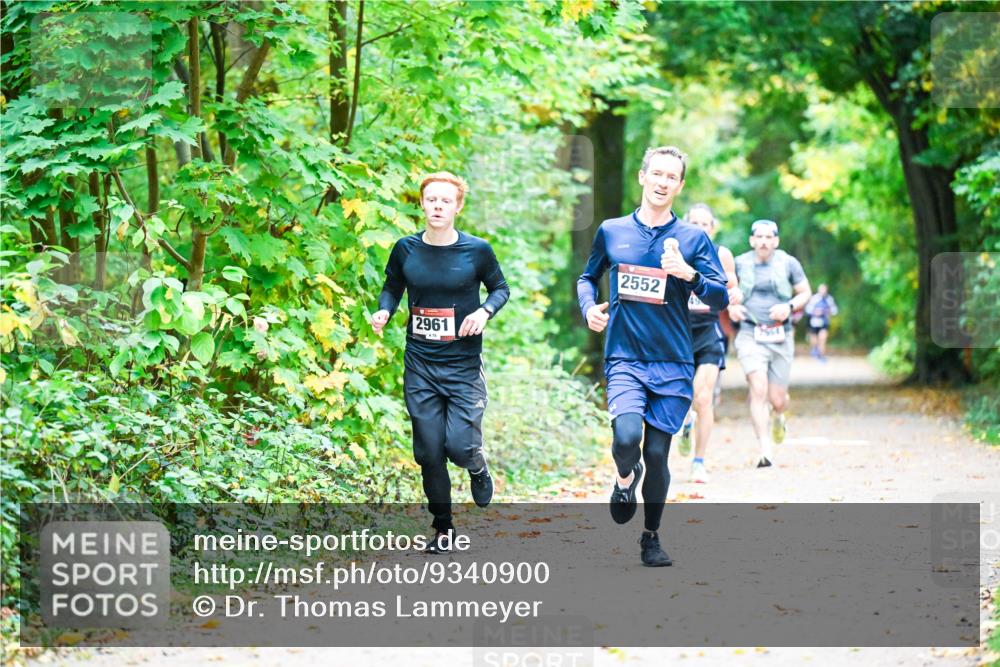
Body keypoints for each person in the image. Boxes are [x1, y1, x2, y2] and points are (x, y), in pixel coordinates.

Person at [577, 146, 728, 567]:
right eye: (656, 173)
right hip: (625, 358)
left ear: (679, 186)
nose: (662, 182)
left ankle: (651, 536)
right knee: (626, 439)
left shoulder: (693, 239)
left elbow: (718, 297)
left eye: (671, 177)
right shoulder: (612, 231)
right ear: (642, 177)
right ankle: (625, 478)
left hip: (674, 363)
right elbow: (587, 278)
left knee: (658, 454)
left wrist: (689, 275)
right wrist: (588, 307)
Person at [372, 171, 510, 554]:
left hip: (463, 365)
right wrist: (385, 311)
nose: (437, 206)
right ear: (422, 204)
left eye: (445, 200)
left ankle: (477, 466)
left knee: (459, 448)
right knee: (429, 451)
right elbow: (392, 287)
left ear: (457, 206)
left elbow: (501, 288)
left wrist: (484, 312)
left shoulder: (476, 250)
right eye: (431, 199)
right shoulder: (405, 249)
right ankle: (443, 528)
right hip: (421, 362)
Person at [728, 219, 811, 468]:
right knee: (758, 388)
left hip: (781, 336)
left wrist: (788, 307)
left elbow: (805, 292)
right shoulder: (739, 263)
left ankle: (778, 414)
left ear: (776, 241)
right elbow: (724, 292)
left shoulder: (788, 263)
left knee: (777, 398)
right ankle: (765, 448)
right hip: (750, 334)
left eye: (769, 237)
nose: (764, 242)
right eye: (759, 237)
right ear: (752, 240)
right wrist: (732, 307)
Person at [676, 204, 742, 484]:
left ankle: (699, 462)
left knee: (704, 397)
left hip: (709, 331)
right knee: (682, 398)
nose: (700, 228)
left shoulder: (722, 254)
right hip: (677, 332)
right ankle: (686, 421)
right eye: (695, 222)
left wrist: (735, 297)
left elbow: (732, 286)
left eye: (705, 224)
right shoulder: (673, 251)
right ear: (685, 225)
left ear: (712, 228)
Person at [805, 283, 838, 362]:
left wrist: (827, 311)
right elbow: (807, 309)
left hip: (824, 322)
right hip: (814, 322)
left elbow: (835, 310)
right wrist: (815, 312)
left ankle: (821, 355)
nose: (823, 291)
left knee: (822, 339)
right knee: (814, 340)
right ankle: (815, 349)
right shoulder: (814, 298)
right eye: (821, 289)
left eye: (824, 289)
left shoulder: (829, 299)